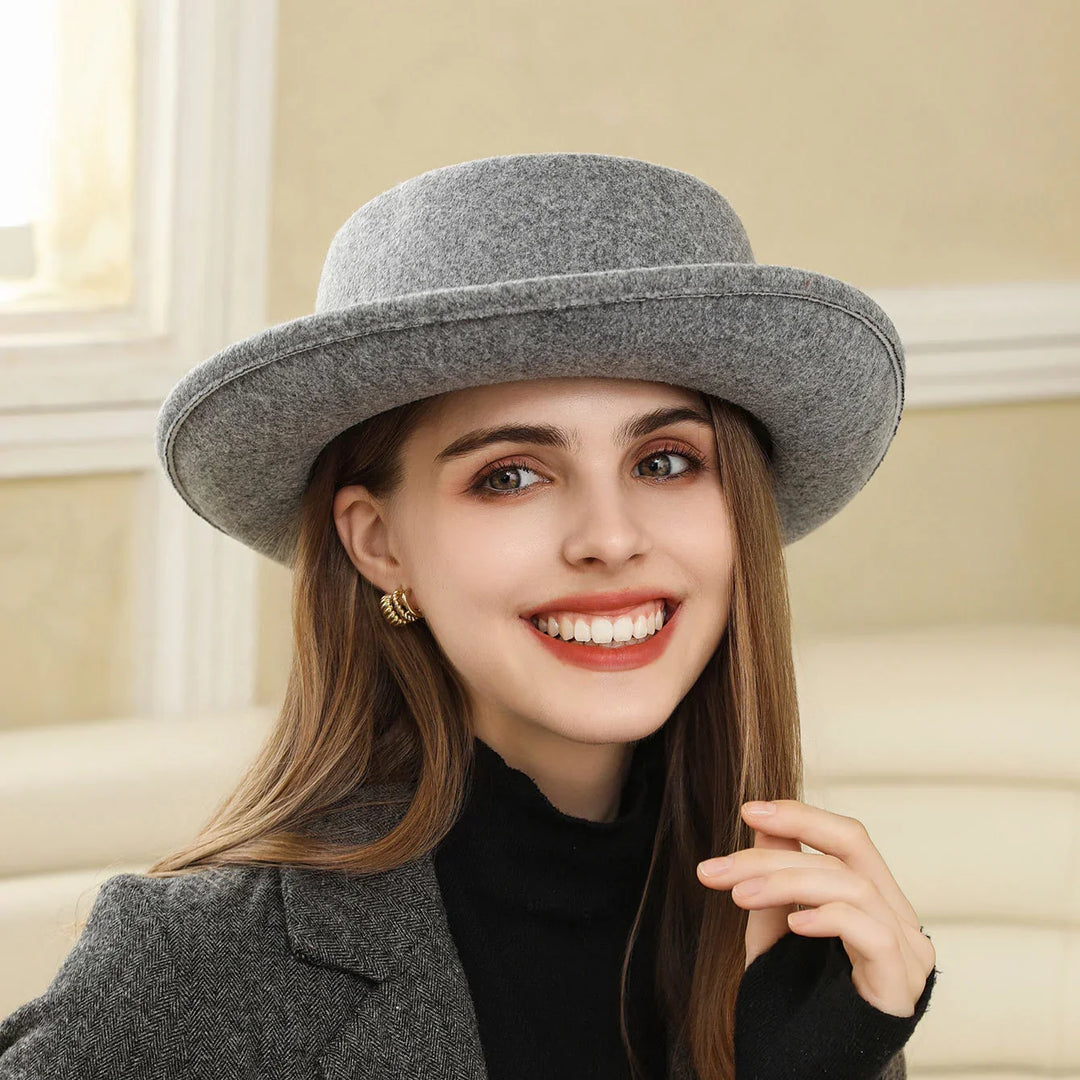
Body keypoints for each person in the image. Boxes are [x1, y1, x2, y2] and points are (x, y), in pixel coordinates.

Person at [0, 152, 937, 1080]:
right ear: (379, 543)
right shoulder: (197, 971)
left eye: (664, 462)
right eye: (511, 476)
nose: (610, 539)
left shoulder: (795, 943)